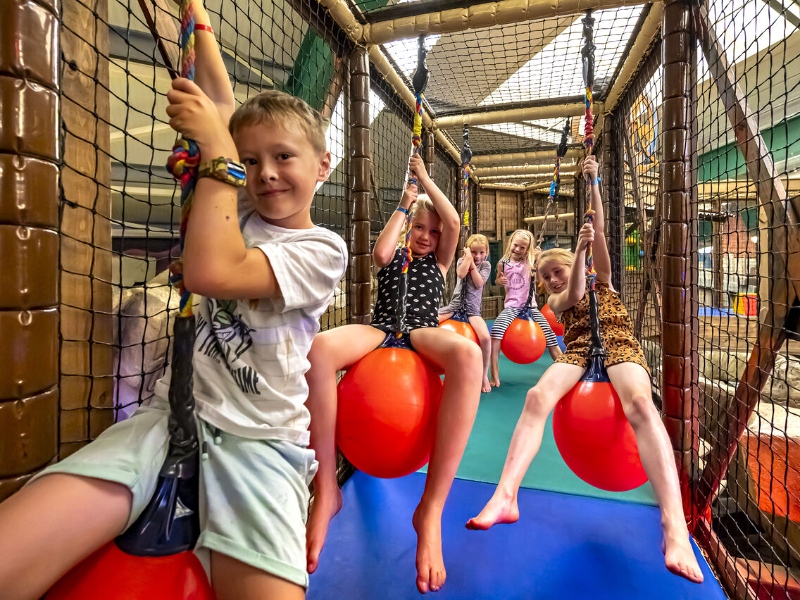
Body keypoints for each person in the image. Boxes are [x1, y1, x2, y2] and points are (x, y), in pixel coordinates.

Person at [0, 3, 348, 598]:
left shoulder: (322, 248)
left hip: (259, 442)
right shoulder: (233, 204)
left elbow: (213, 270)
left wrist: (219, 153)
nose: (264, 173)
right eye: (250, 160)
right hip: (168, 417)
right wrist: (199, 22)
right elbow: (219, 103)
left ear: (323, 165)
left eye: (283, 157)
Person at [465, 156, 704, 584]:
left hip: (619, 345)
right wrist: (574, 257)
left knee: (640, 407)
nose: (553, 279)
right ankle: (506, 495)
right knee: (537, 397)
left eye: (554, 270)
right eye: (545, 276)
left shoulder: (605, 280)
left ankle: (674, 525)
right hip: (577, 352)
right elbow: (574, 290)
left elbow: (600, 243)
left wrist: (593, 182)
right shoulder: (555, 301)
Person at [304, 155, 482, 594]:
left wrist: (425, 180)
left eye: (433, 232)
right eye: (421, 228)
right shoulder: (398, 252)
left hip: (421, 332)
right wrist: (406, 203)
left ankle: (431, 508)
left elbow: (454, 221)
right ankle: (325, 486)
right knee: (320, 349)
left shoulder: (439, 263)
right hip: (380, 329)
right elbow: (381, 252)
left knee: (469, 356)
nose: (426, 236)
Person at [489, 230, 561, 387]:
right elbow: (497, 280)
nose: (517, 249)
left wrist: (539, 259)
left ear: (527, 249)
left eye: (522, 247)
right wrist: (500, 280)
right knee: (495, 335)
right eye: (515, 245)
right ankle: (494, 372)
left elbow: (541, 281)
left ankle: (565, 368)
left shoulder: (531, 263)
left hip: (531, 307)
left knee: (550, 337)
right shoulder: (503, 262)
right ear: (510, 244)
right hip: (511, 307)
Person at [438, 234, 493, 393]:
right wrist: (467, 259)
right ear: (468, 252)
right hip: (454, 307)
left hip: (472, 311)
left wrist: (473, 265)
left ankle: (483, 375)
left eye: (481, 252)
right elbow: (461, 274)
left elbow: (478, 283)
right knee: (429, 322)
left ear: (486, 252)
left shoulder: (486, 266)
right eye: (474, 252)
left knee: (485, 338)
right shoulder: (463, 261)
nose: (477, 256)